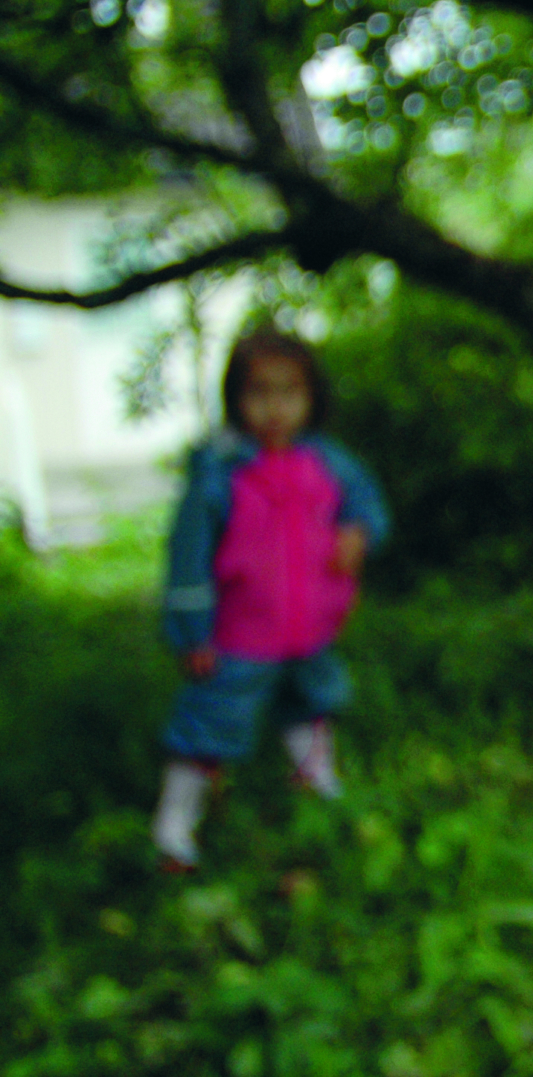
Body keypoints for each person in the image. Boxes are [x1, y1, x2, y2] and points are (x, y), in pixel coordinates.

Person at [150, 327, 389, 872]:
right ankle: (174, 827)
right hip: (241, 635)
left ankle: (318, 787)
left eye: (290, 393)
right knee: (207, 724)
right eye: (259, 393)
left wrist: (359, 532)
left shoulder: (327, 461)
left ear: (312, 398)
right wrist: (192, 633)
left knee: (310, 705)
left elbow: (367, 506)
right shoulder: (221, 471)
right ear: (235, 398)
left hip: (310, 629)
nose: (275, 408)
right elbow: (187, 557)